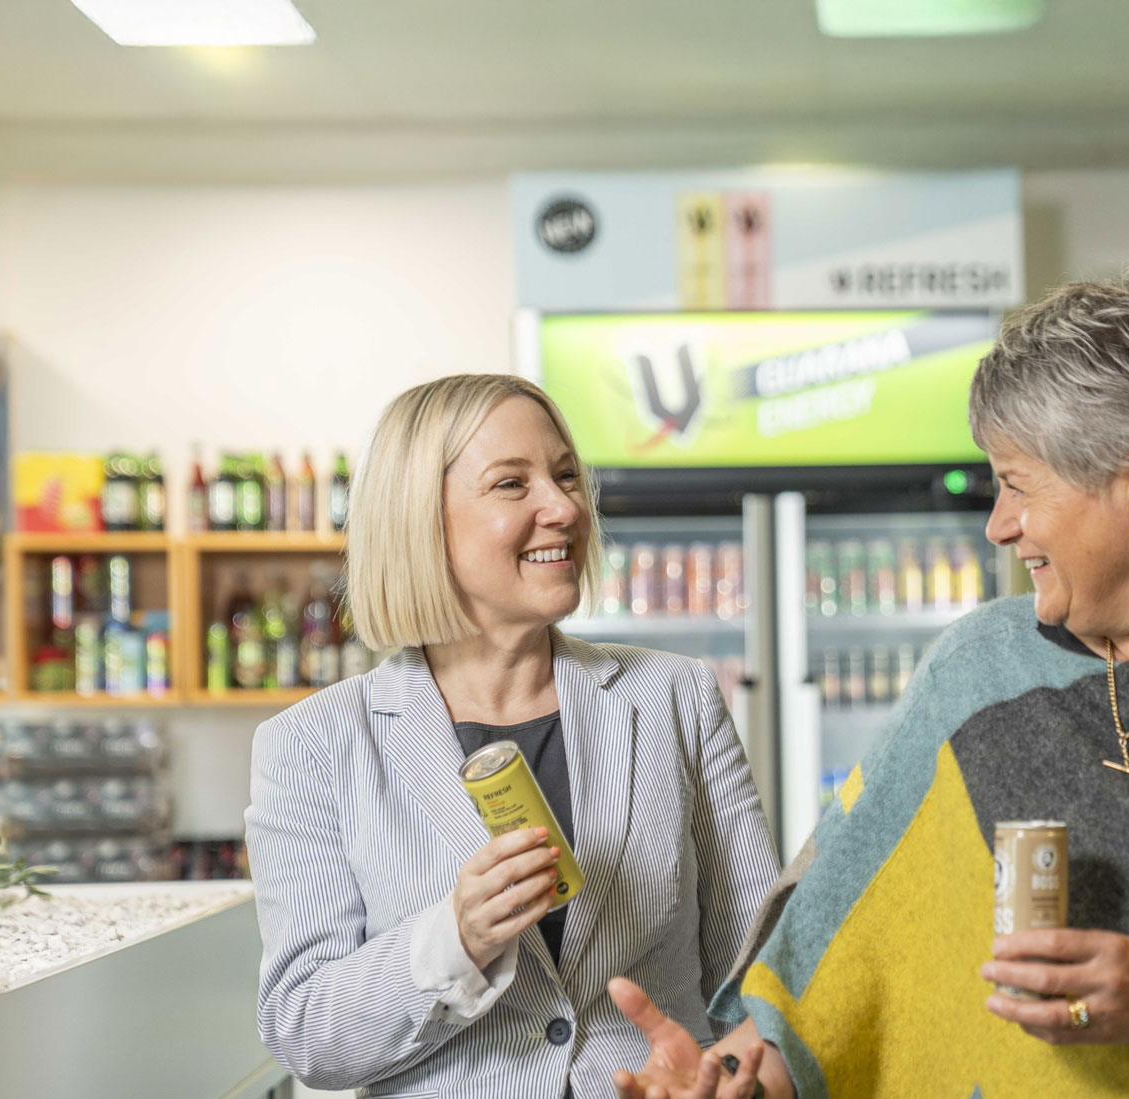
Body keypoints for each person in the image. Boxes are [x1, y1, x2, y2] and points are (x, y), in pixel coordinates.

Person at [608, 274, 1129, 1099]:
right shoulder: (981, 671)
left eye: (1018, 483)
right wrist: (736, 1078)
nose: (998, 524)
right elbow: (835, 974)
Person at [246, 374, 780, 1097]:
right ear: (418, 518)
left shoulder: (674, 697)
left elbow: (765, 971)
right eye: (511, 484)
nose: (563, 506)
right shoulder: (313, 745)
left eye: (565, 475)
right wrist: (456, 938)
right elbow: (305, 1028)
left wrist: (725, 1078)